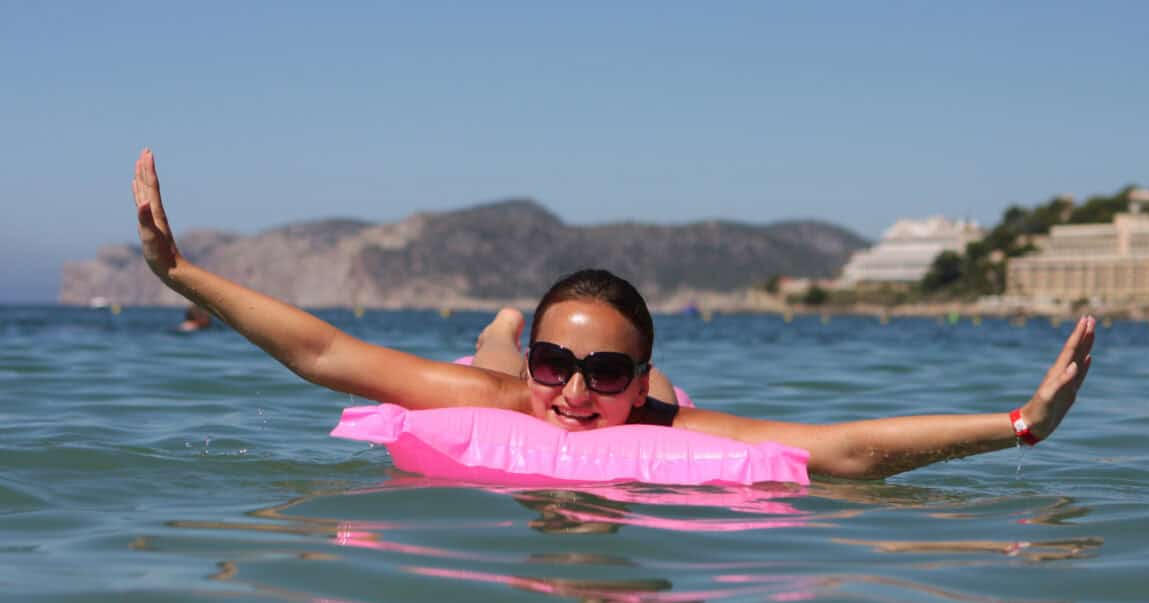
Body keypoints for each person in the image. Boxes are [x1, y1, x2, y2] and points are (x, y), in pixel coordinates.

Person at [131, 149, 1095, 479]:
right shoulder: (519, 399)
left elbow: (844, 448)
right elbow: (325, 349)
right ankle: (507, 325)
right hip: (493, 382)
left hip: (664, 406)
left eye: (606, 372)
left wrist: (1021, 425)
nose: (578, 393)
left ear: (633, 376)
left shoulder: (657, 410)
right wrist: (180, 272)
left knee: (659, 399)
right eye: (563, 363)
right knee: (492, 367)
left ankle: (569, 344)